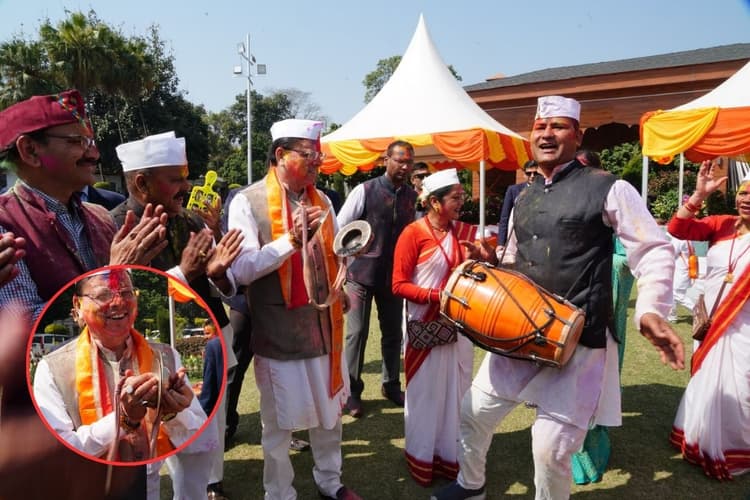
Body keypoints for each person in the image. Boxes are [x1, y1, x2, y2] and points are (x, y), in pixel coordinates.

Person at [432, 95, 684, 500]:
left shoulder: (609, 187)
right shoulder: (525, 194)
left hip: (577, 340)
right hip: (517, 331)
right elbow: (515, 257)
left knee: (550, 448)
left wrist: (651, 309)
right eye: (540, 127)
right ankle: (470, 485)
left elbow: (652, 249)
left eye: (559, 126)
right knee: (473, 413)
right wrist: (493, 260)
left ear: (577, 135)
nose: (546, 134)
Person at [229, 118, 360, 499]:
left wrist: (342, 282)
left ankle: (330, 481)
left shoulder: (323, 200)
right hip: (280, 332)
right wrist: (291, 240)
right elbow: (242, 269)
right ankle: (279, 493)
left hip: (324, 328)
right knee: (278, 426)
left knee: (330, 416)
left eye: (318, 155)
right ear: (281, 154)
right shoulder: (248, 201)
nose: (318, 162)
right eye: (309, 155)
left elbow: (333, 254)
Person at [112, 130, 242, 499]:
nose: (186, 187)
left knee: (207, 420)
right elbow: (122, 293)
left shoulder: (190, 221)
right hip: (145, 348)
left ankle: (211, 483)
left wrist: (218, 273)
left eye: (185, 176)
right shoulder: (115, 226)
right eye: (175, 179)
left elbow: (224, 284)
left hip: (209, 338)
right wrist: (184, 271)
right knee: (150, 431)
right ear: (142, 183)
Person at [0, 89, 168, 320]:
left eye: (90, 141)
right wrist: (114, 273)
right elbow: (23, 324)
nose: (94, 154)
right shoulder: (5, 223)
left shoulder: (101, 216)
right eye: (77, 141)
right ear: (30, 151)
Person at [32, 268, 209, 485]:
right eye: (103, 295)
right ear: (78, 305)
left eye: (126, 293)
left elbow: (199, 441)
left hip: (149, 486)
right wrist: (124, 420)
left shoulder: (165, 357)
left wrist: (173, 413)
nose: (118, 302)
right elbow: (60, 452)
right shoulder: (52, 369)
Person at [392, 168, 496, 486]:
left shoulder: (465, 232)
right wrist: (439, 296)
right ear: (435, 202)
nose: (461, 202)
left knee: (457, 394)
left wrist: (486, 256)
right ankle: (422, 458)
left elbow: (486, 269)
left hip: (458, 327)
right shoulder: (413, 233)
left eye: (462, 196)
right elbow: (398, 284)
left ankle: (452, 458)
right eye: (455, 197)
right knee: (425, 397)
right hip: (424, 328)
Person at [667, 161, 750, 480]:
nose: (746, 199)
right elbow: (677, 229)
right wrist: (698, 195)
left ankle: (736, 446)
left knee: (741, 385)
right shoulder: (721, 224)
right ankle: (699, 438)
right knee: (707, 380)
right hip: (711, 320)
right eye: (743, 193)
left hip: (743, 323)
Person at [336, 140, 417, 417]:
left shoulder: (412, 196)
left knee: (393, 333)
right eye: (400, 161)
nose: (405, 166)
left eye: (409, 162)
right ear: (386, 160)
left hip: (394, 277)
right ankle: (351, 392)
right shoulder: (364, 190)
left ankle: (391, 385)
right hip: (359, 274)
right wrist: (346, 261)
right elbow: (339, 228)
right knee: (356, 333)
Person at [497, 160, 537, 249]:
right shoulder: (514, 190)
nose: (532, 176)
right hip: (517, 238)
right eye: (529, 173)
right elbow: (505, 217)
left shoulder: (545, 189)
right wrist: (501, 243)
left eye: (535, 173)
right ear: (524, 174)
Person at [667, 235, 696, 322]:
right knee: (672, 293)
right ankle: (671, 316)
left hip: (680, 271)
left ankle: (697, 310)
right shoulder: (689, 239)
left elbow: (671, 253)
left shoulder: (679, 239)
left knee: (678, 295)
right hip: (685, 269)